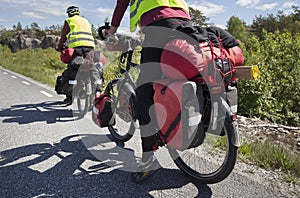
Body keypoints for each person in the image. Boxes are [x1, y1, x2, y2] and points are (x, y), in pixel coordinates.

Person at [106, 0, 203, 183]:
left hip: (158, 23)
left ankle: (148, 159)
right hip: (185, 23)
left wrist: (112, 33)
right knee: (177, 73)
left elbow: (122, 3)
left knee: (144, 90)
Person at [57, 6, 102, 105]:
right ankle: (97, 90)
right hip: (90, 47)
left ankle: (69, 97)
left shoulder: (69, 20)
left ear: (69, 13)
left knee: (72, 70)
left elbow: (63, 36)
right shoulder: (85, 21)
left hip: (77, 48)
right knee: (92, 67)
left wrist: (60, 47)